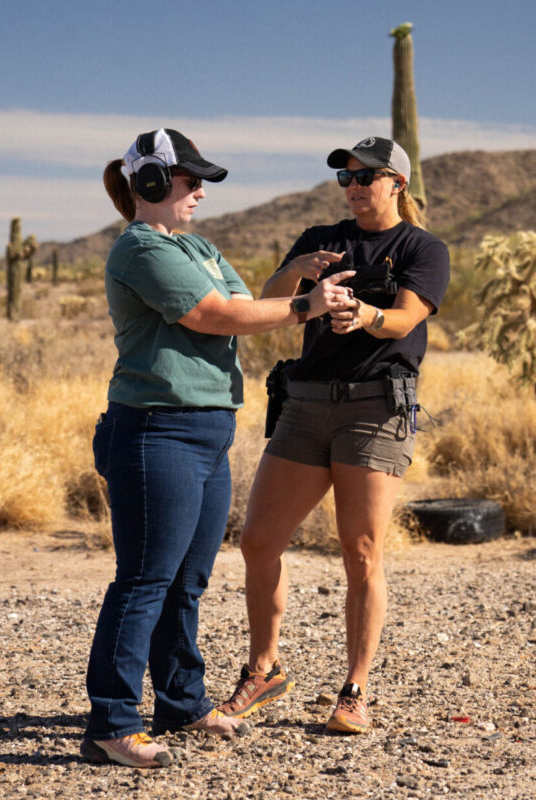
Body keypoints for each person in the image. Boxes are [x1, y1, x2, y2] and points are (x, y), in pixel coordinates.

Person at [80, 128, 352, 768]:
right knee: (145, 579)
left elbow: (244, 303)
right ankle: (110, 723)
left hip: (206, 429)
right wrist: (306, 306)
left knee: (186, 581)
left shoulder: (197, 245)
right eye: (188, 179)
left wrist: (283, 302)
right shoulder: (140, 248)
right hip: (156, 429)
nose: (200, 190)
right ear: (150, 183)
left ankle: (180, 703)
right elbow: (215, 315)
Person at [218, 137, 450, 734]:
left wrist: (367, 317)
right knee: (258, 541)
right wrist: (293, 273)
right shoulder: (320, 239)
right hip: (306, 404)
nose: (352, 186)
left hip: (375, 410)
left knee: (361, 552)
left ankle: (354, 690)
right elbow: (267, 308)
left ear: (396, 182)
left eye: (365, 176)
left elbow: (404, 319)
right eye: (345, 177)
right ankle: (263, 669)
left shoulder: (421, 248)